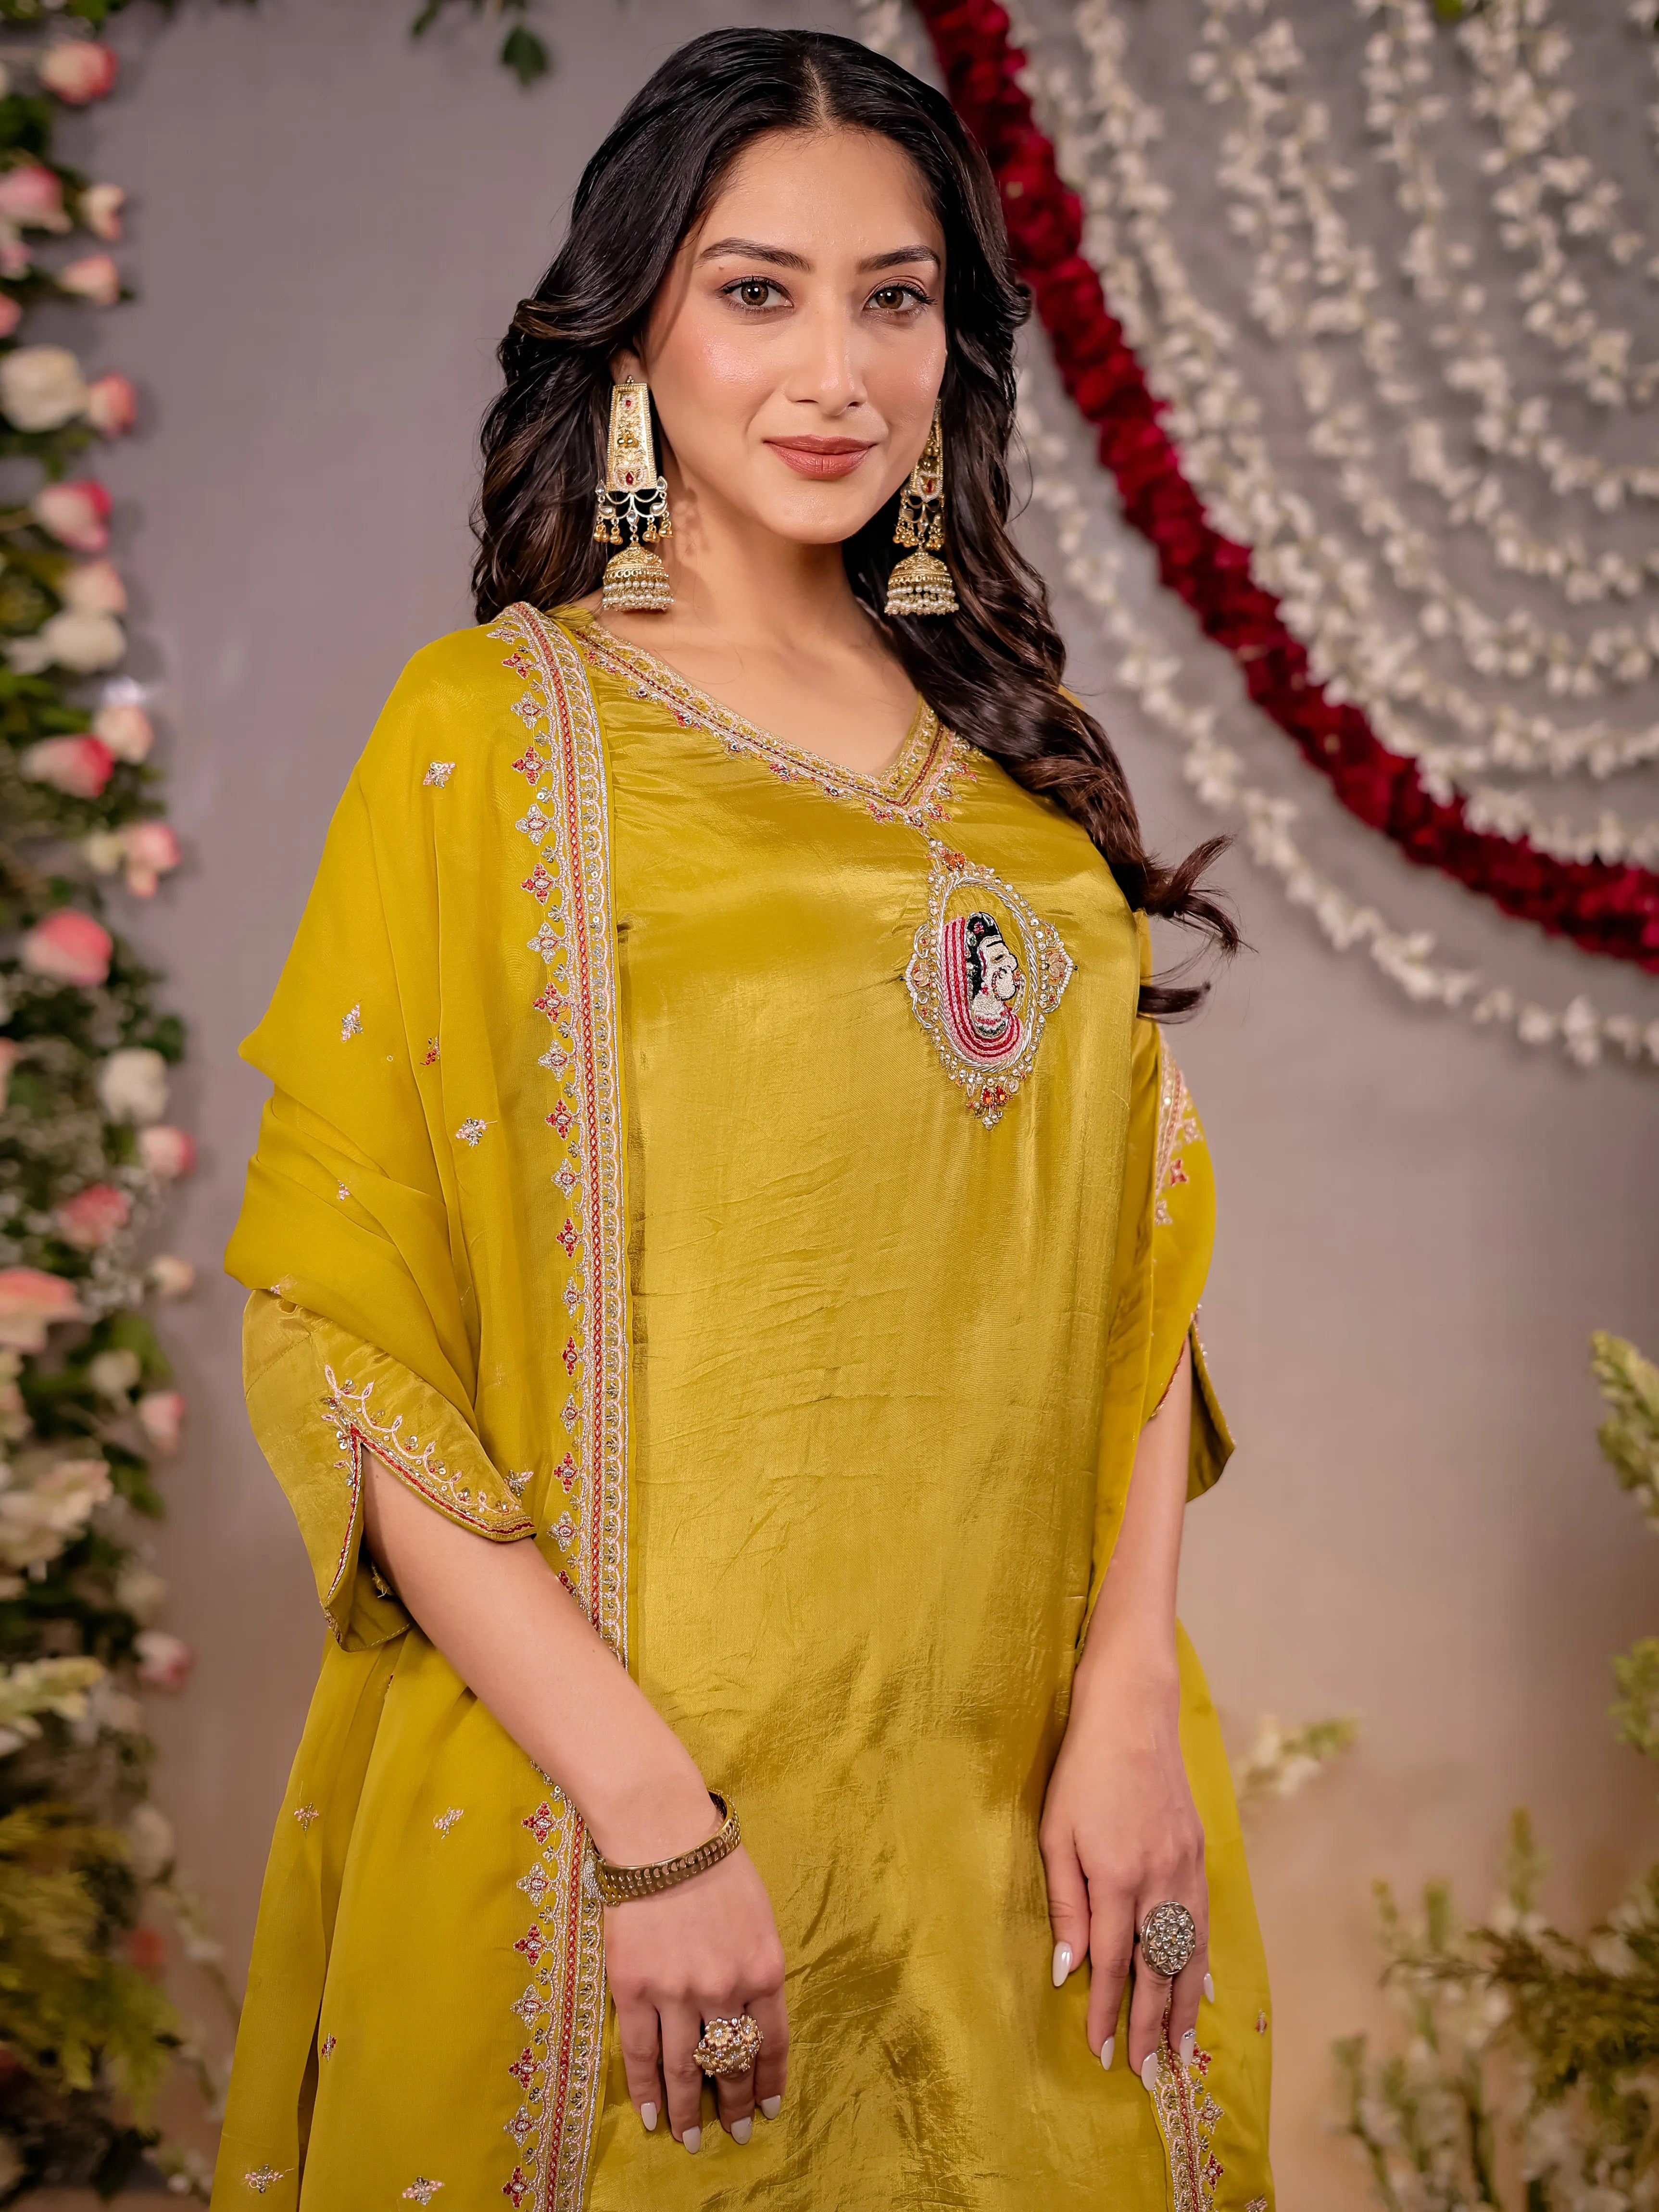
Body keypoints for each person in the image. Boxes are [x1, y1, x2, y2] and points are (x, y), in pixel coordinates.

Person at [213, 27, 1271, 2212]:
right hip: (623, 1835)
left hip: (1017, 1831)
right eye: (753, 289)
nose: (834, 370)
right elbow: (347, 1335)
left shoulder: (1017, 771)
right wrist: (647, 1819)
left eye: (892, 297)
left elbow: (1128, 1290)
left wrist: (1130, 1709)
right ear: (634, 336)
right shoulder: (494, 733)